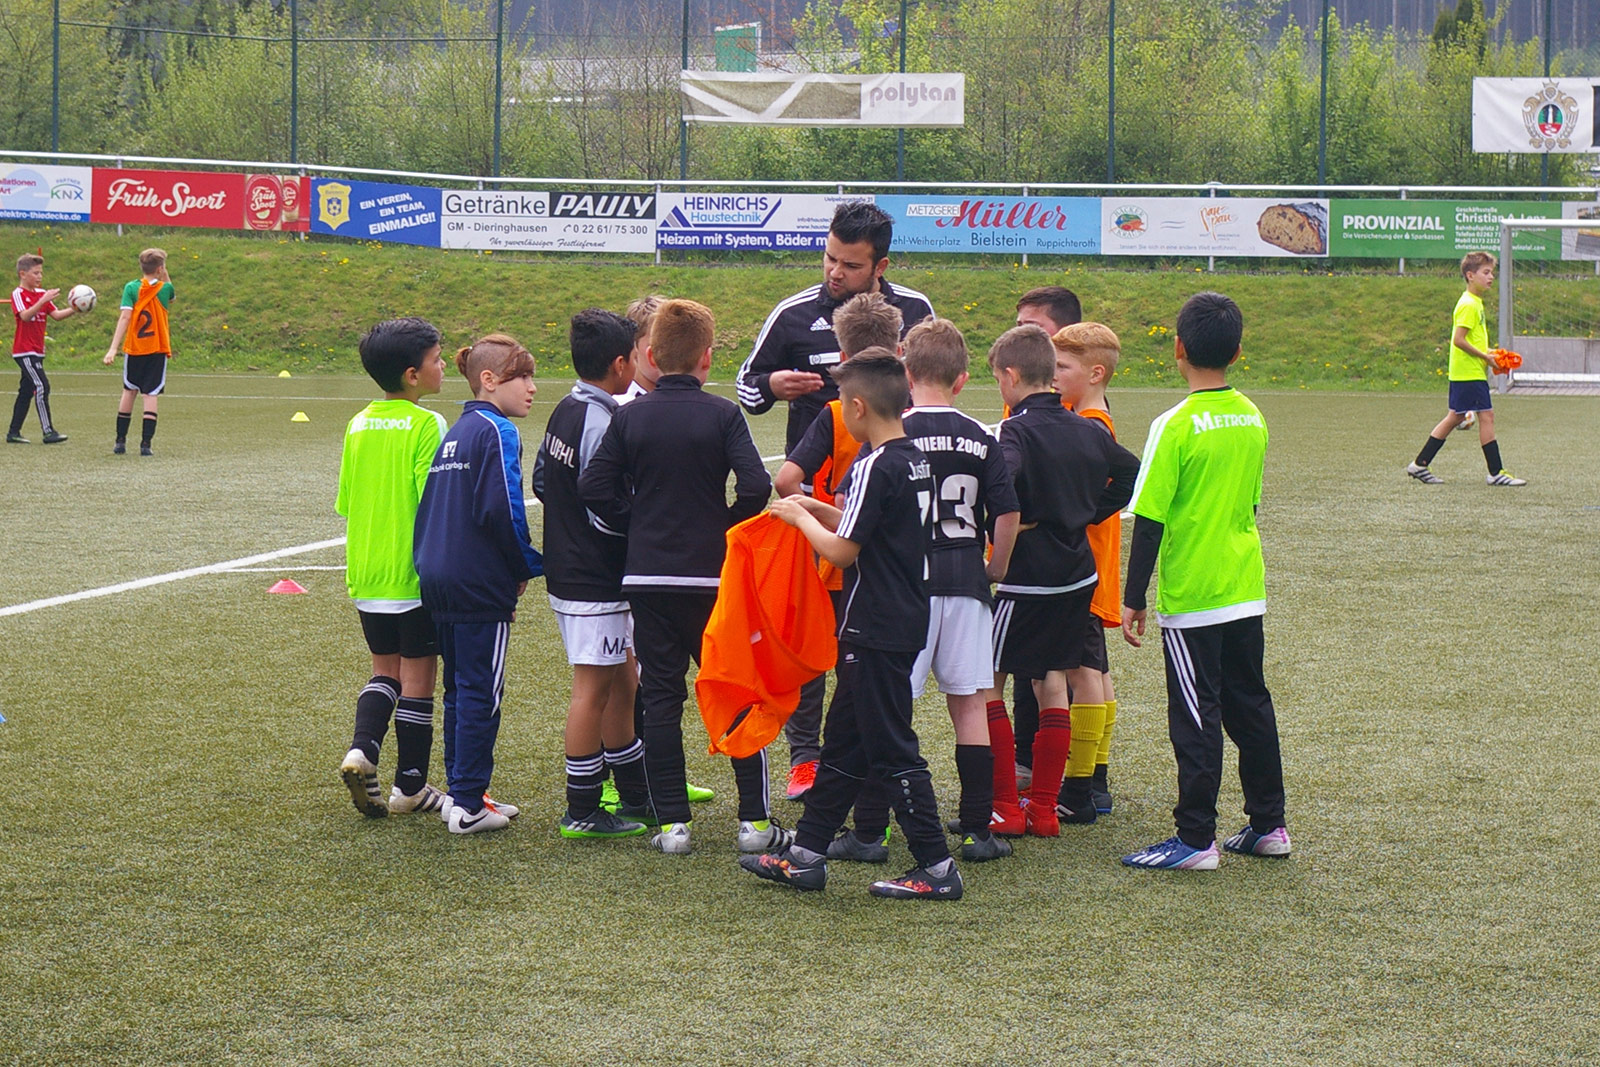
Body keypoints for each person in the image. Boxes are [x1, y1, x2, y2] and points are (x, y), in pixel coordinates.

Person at [740, 350, 962, 900]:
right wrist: (824, 512)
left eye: (841, 401)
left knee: (893, 749)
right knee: (843, 745)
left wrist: (798, 516)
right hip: (901, 616)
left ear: (857, 407)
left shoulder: (871, 464)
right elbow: (874, 529)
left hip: (874, 625)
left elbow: (842, 553)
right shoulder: (913, 460)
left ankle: (937, 867)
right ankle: (806, 857)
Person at [737, 201, 933, 799]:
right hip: (819, 509)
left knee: (862, 642)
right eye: (829, 258)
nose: (834, 272)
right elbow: (746, 386)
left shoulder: (915, 312)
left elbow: (931, 392)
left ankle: (862, 763)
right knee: (810, 637)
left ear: (881, 266)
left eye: (850, 264)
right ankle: (806, 757)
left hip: (888, 509)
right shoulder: (794, 312)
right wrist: (772, 385)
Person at [579, 299, 778, 855]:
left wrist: (637, 521)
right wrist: (725, 527)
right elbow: (756, 485)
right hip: (710, 580)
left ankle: (673, 826)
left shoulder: (629, 416)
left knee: (662, 699)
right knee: (735, 690)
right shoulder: (722, 414)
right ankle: (754, 822)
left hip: (648, 578)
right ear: (707, 358)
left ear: (650, 354)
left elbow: (593, 487)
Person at [825, 318, 1021, 866]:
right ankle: (977, 829)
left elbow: (848, 509)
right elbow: (1007, 511)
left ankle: (870, 831)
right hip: (965, 581)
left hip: (903, 586)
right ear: (962, 380)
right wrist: (994, 567)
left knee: (885, 711)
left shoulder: (892, 431)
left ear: (906, 373)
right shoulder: (982, 435)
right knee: (972, 704)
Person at [1120, 292, 1291, 871]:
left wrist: (1133, 596)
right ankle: (1269, 825)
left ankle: (1195, 838)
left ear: (1178, 348)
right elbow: (1252, 503)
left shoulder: (1174, 425)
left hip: (1195, 594)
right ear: (1238, 352)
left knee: (1196, 715)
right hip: (1244, 585)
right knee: (1251, 706)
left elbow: (1149, 517)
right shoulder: (1252, 416)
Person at [983, 325, 1139, 837]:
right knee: (1051, 682)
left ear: (1011, 377)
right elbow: (1131, 471)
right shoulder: (1085, 428)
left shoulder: (1015, 431)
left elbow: (1002, 482)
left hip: (1027, 579)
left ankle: (1005, 806)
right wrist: (1084, 512)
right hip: (1076, 577)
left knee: (989, 681)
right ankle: (1046, 809)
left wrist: (1009, 522)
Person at [771, 291, 904, 800]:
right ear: (899, 353)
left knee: (811, 661)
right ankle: (859, 768)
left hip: (831, 562)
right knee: (863, 673)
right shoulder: (907, 416)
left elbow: (786, 480)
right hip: (888, 570)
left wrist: (819, 513)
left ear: (842, 356)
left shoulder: (834, 412)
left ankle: (805, 761)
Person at [413, 334, 542, 835]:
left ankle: (461, 794)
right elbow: (502, 509)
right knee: (480, 691)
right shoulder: (497, 429)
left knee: (458, 688)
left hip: (438, 574)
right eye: (522, 376)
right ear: (488, 380)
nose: (532, 387)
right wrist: (525, 565)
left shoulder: (458, 430)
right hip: (476, 580)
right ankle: (468, 804)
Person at [533, 309, 651, 840]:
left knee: (624, 680)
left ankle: (635, 794)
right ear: (621, 363)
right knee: (592, 689)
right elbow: (600, 499)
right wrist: (636, 528)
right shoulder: (602, 420)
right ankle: (581, 808)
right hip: (592, 578)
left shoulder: (567, 407)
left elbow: (542, 479)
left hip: (574, 569)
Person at [334, 318, 450, 818]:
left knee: (384, 670)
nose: (444, 367)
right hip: (414, 572)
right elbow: (434, 501)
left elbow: (346, 501)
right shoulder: (428, 424)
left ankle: (363, 749)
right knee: (419, 679)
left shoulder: (358, 423)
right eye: (437, 360)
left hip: (366, 570)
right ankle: (411, 788)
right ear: (412, 375)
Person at [1006, 286, 1083, 789]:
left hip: (1053, 565)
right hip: (1064, 565)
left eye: (1033, 328)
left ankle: (1078, 780)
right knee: (1043, 674)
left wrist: (1026, 516)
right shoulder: (1030, 408)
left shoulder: (1076, 411)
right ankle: (1043, 780)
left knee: (1062, 671)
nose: (1023, 336)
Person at [1049, 322, 1126, 819]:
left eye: (1062, 367)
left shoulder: (1092, 426)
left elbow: (1110, 487)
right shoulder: (1090, 418)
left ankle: (1083, 785)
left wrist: (1071, 517)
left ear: (1095, 373)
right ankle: (1095, 777)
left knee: (1083, 671)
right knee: (1095, 669)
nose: (1053, 375)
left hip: (1084, 566)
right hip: (1094, 563)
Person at [1406, 251, 1526, 487]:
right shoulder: (1469, 304)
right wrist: (1485, 357)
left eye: (1492, 272)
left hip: (1467, 371)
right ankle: (1495, 472)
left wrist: (1491, 353)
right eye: (1486, 272)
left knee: (1456, 416)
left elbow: (1469, 340)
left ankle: (1419, 464)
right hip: (1469, 372)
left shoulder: (1474, 302)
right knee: (1486, 416)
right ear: (1470, 275)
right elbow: (1458, 340)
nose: (1491, 277)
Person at [101, 248, 173, 456]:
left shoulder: (131, 288)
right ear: (160, 269)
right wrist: (164, 271)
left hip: (135, 348)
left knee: (129, 391)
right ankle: (146, 445)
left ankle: (120, 441)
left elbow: (125, 317)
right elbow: (171, 294)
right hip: (156, 349)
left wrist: (113, 348)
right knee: (150, 394)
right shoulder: (165, 289)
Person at [8, 253, 78, 445]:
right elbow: (25, 316)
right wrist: (42, 301)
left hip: (37, 351)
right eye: (35, 273)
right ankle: (48, 432)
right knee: (42, 386)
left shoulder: (41, 293)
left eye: (41, 273)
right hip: (24, 351)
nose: (40, 276)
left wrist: (76, 308)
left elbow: (56, 315)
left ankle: (13, 432)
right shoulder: (18, 294)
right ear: (23, 274)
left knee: (26, 390)